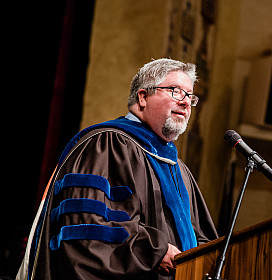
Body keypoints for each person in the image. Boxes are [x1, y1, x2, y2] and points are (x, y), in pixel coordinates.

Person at [17, 58, 218, 280]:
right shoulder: (108, 144)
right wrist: (154, 251)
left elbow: (202, 238)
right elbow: (90, 231)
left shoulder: (179, 170)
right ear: (143, 97)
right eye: (176, 91)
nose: (185, 102)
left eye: (190, 96)